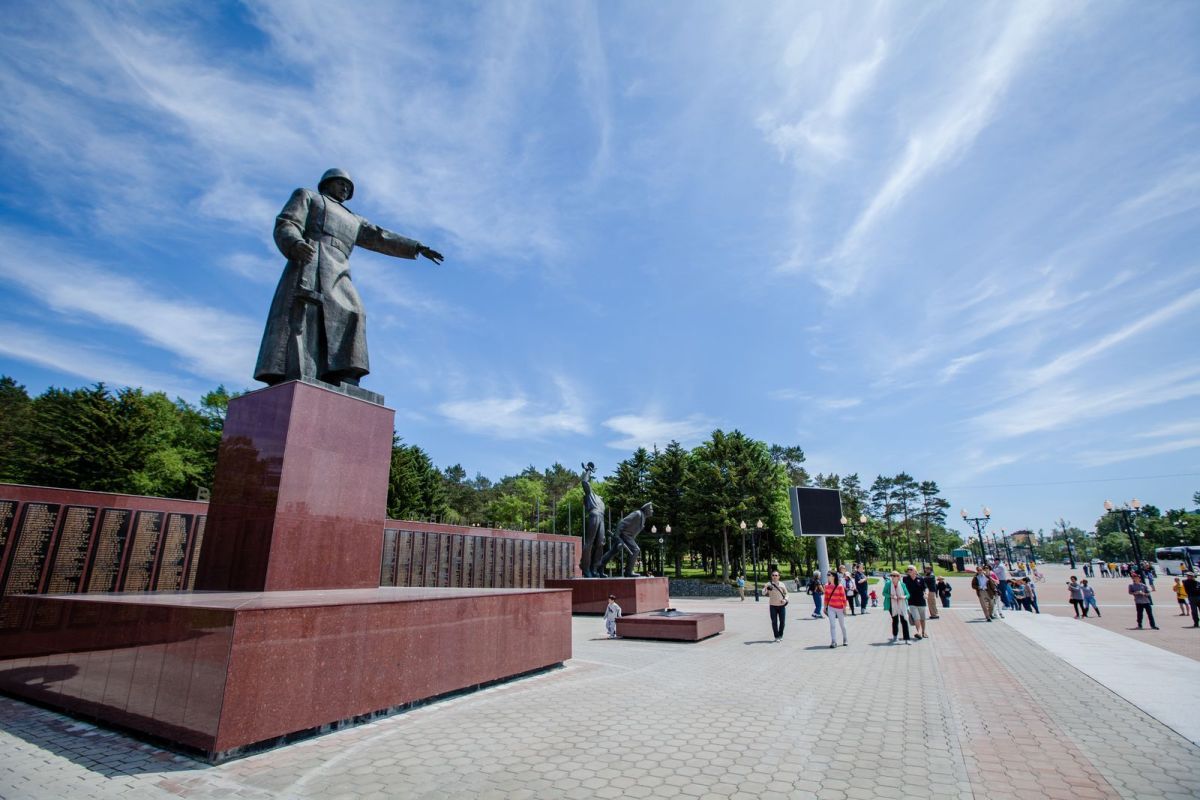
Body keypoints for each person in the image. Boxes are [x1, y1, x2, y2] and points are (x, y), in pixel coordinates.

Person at [256, 168, 444, 389]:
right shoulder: (308, 197)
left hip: (338, 268)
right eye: (341, 183)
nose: (345, 188)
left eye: (349, 186)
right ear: (326, 183)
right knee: (306, 317)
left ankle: (343, 370)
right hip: (311, 259)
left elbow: (380, 236)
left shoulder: (354, 219)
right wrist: (295, 243)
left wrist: (416, 246)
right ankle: (292, 370)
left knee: (354, 312)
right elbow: (287, 222)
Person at [599, 503, 653, 577]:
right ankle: (628, 572)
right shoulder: (638, 514)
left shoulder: (643, 517)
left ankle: (599, 566)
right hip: (624, 535)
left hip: (628, 536)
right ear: (646, 510)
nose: (652, 511)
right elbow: (622, 522)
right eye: (651, 509)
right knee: (635, 549)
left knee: (612, 552)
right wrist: (617, 535)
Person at [579, 462, 606, 576]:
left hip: (601, 518)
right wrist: (588, 470)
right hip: (594, 514)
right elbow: (584, 482)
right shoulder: (591, 495)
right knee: (589, 542)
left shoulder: (601, 502)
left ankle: (594, 568)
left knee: (601, 543)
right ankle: (585, 568)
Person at [882, 570, 911, 644]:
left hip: (902, 605)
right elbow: (884, 593)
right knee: (895, 620)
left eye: (894, 576)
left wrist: (904, 597)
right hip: (892, 605)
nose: (892, 577)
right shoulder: (888, 584)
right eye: (891, 575)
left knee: (904, 620)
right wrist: (891, 596)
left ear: (898, 577)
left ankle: (907, 638)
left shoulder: (902, 584)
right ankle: (895, 636)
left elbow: (908, 595)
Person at [902, 566, 929, 639]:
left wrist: (926, 594)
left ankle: (923, 632)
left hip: (921, 601)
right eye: (908, 569)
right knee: (916, 618)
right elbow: (903, 588)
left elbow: (925, 588)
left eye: (911, 569)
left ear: (915, 571)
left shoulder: (920, 579)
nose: (909, 570)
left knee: (922, 619)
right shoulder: (905, 579)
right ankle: (919, 633)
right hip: (911, 601)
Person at [824, 571, 849, 648]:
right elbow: (826, 598)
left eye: (829, 575)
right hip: (831, 607)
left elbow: (844, 598)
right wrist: (825, 607)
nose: (827, 576)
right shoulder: (826, 586)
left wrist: (845, 608)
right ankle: (833, 641)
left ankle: (845, 639)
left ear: (833, 576)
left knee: (842, 625)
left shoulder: (840, 586)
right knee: (832, 625)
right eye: (827, 575)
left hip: (840, 608)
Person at [764, 570, 789, 642]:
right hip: (772, 606)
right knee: (774, 622)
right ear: (771, 576)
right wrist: (765, 588)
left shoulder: (782, 584)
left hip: (781, 605)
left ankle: (780, 635)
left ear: (779, 577)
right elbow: (763, 593)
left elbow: (786, 594)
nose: (774, 577)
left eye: (776, 575)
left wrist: (785, 600)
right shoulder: (768, 584)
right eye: (773, 575)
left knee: (782, 622)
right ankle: (776, 636)